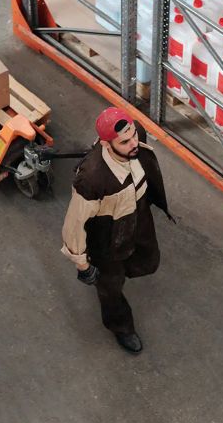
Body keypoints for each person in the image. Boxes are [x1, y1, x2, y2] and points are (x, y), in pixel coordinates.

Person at [61, 107, 174, 354]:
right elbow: (74, 223)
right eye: (125, 141)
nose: (134, 143)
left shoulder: (135, 138)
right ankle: (121, 327)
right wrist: (83, 264)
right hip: (106, 237)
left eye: (134, 134)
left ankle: (118, 275)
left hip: (139, 217)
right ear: (105, 143)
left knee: (149, 261)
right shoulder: (91, 179)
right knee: (110, 287)